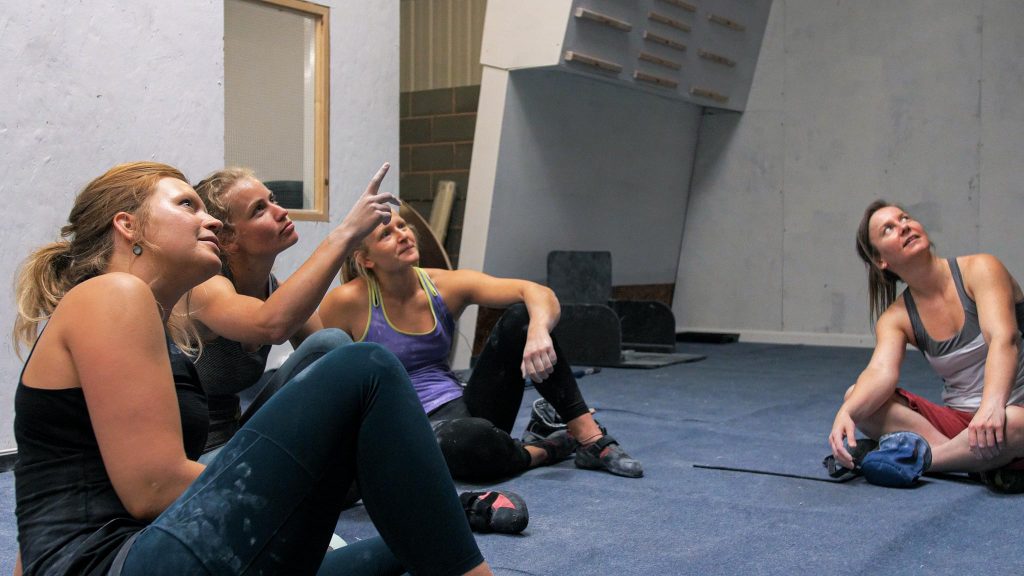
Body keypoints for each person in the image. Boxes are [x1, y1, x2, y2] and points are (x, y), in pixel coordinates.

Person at [12, 162, 493, 575]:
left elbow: (49, 491)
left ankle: (451, 513)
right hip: (123, 560)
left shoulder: (149, 315)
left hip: (156, 546)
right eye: (187, 206)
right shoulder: (112, 293)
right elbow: (153, 488)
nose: (212, 223)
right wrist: (297, 478)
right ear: (128, 226)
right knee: (364, 365)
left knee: (418, 539)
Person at [319, 210, 644, 481]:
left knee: (521, 317)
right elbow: (333, 381)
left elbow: (536, 292)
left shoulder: (444, 285)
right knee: (469, 441)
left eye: (402, 226)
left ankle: (589, 439)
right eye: (386, 235)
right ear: (366, 259)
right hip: (409, 427)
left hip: (465, 407)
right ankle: (545, 449)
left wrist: (538, 332)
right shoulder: (347, 302)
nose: (402, 235)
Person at [187, 165, 390, 452]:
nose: (280, 211)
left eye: (273, 200)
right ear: (227, 239)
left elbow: (334, 357)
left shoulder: (273, 289)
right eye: (259, 209)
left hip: (236, 436)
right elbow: (270, 325)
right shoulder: (204, 285)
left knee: (333, 345)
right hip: (197, 455)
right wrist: (346, 234)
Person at [827, 200, 1024, 492]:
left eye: (905, 218)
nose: (904, 226)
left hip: (1010, 412)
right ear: (882, 260)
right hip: (962, 427)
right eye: (889, 229)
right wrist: (847, 413)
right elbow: (880, 372)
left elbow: (1003, 339)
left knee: (1016, 423)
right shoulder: (895, 317)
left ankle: (925, 458)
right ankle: (975, 461)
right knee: (857, 398)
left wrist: (992, 406)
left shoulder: (981, 268)